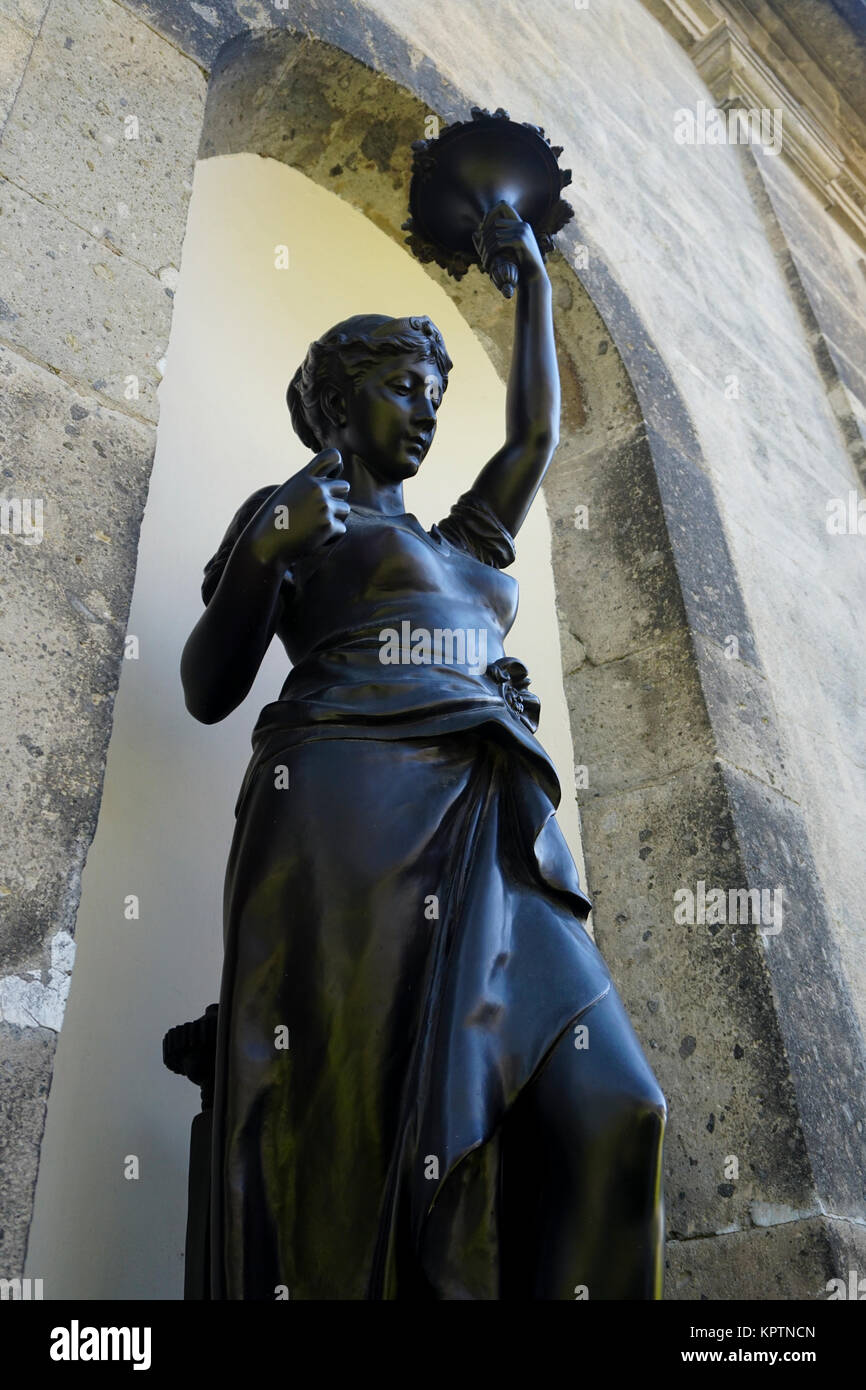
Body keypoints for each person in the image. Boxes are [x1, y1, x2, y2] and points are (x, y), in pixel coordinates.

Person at [180, 206, 667, 1300]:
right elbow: (206, 686)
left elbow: (532, 436)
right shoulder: (303, 511)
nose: (426, 414)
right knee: (360, 1116)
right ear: (334, 399)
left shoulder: (461, 544)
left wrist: (531, 275)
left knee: (615, 1107)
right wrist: (268, 544)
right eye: (403, 386)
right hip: (346, 811)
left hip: (494, 830)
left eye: (436, 397)